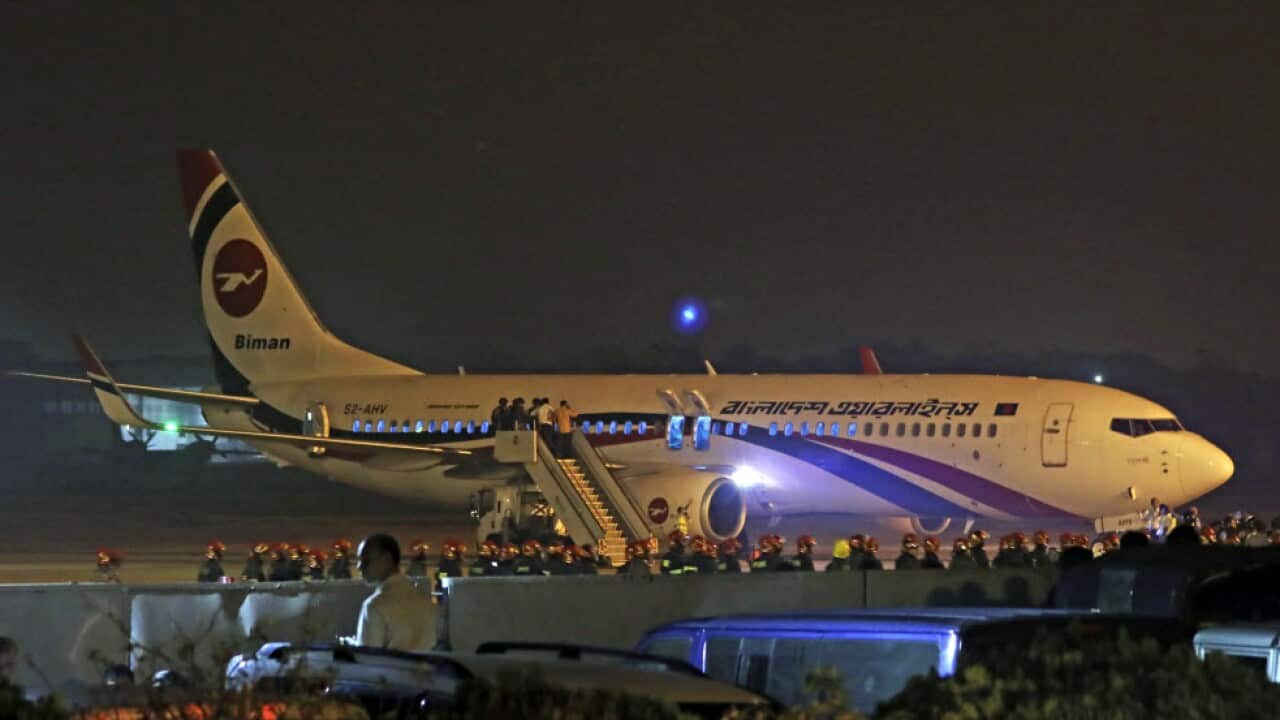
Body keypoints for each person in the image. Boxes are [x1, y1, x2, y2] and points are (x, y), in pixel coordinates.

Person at [350, 534, 434, 652]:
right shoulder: (427, 603)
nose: (359, 567)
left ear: (387, 559)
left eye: (365, 560)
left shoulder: (374, 606)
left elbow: (366, 661)